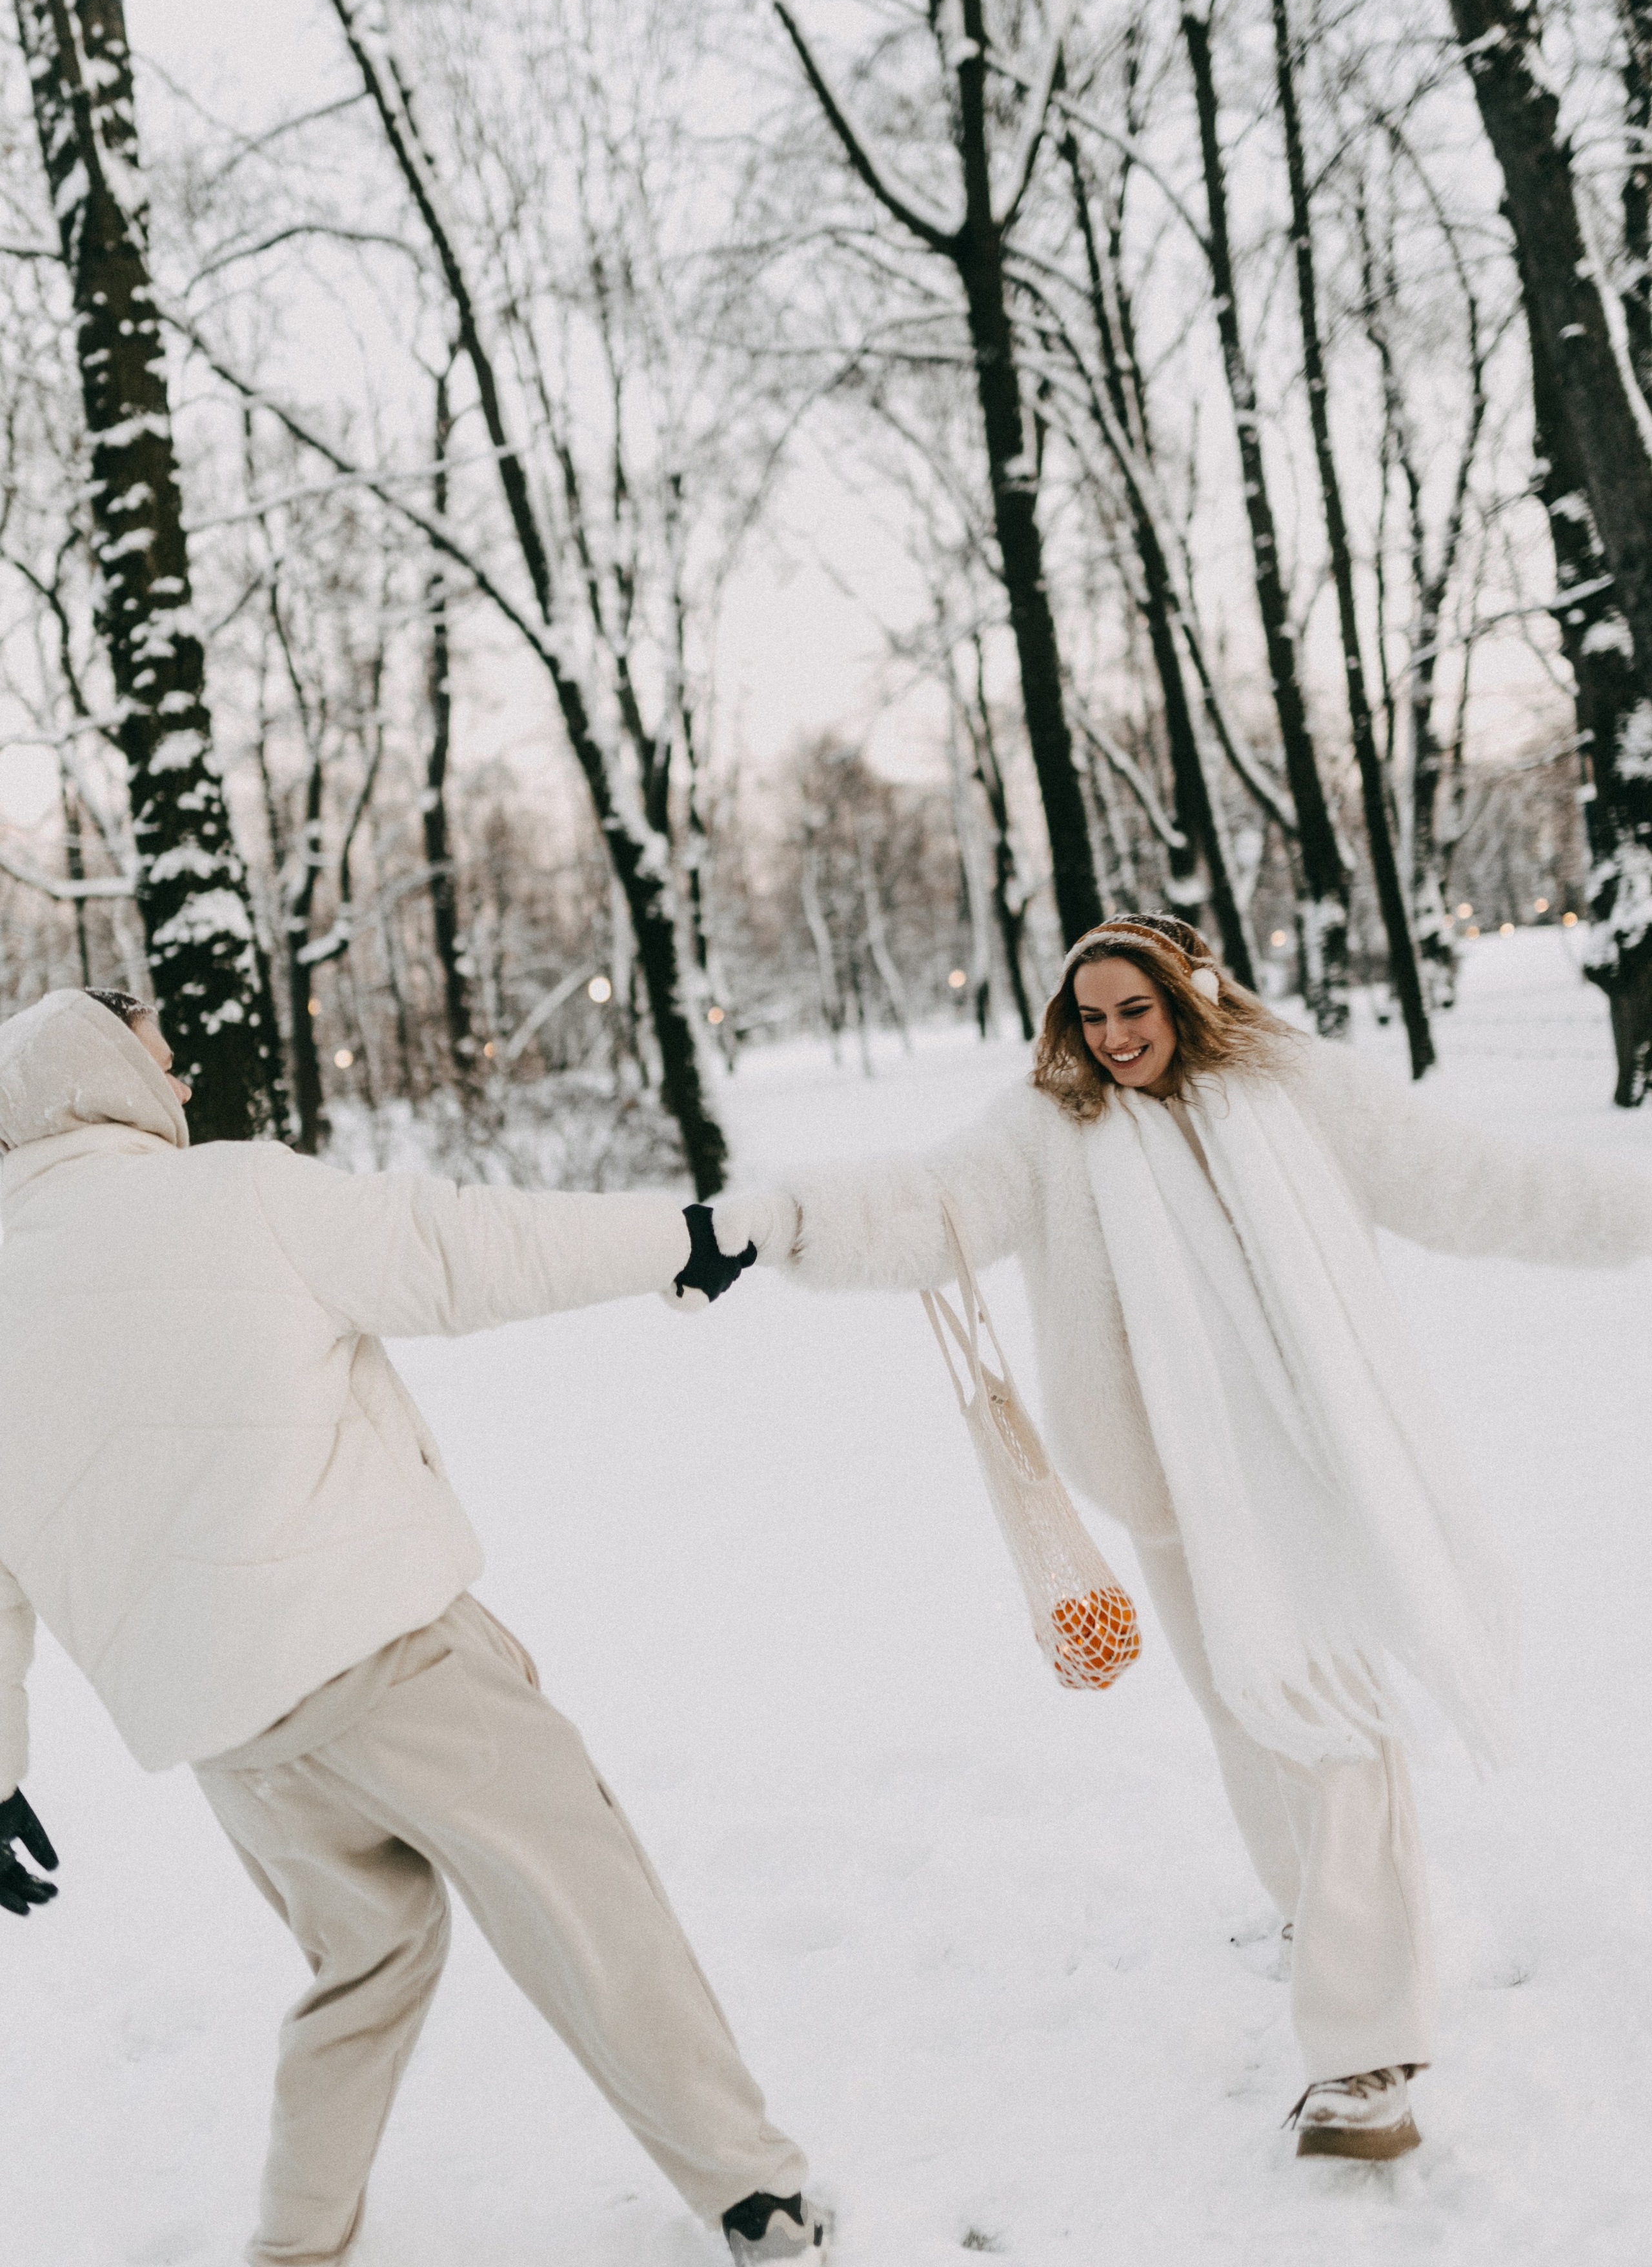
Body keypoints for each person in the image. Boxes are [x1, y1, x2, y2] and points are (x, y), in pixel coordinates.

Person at [707, 914, 1652, 2162]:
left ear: (1189, 992)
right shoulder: (1056, 1126)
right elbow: (933, 1203)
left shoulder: (1296, 1086)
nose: (1112, 1040)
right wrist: (782, 1219)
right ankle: (1318, 1919)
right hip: (1169, 1493)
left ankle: (1367, 2052)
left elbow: (1474, 1183)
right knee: (1252, 1725)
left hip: (1310, 1474)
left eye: (1133, 1013)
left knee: (1332, 1735)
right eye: (1090, 1018)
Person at [0, 985, 829, 2266]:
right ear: (107, 1077)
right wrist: (676, 1239)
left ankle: (297, 2245)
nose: (178, 1087)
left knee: (365, 1970)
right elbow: (465, 1250)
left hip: (232, 1735)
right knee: (591, 1912)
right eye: (160, 1061)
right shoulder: (236, 1196)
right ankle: (754, 2195)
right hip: (387, 1656)